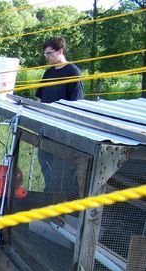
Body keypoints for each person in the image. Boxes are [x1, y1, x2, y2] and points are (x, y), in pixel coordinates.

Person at [35, 36, 84, 195]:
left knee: (60, 168)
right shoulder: (48, 72)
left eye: (49, 53)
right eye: (45, 54)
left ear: (60, 51)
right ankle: (49, 195)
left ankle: (61, 200)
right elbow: (39, 98)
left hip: (62, 130)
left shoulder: (73, 72)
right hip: (45, 127)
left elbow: (76, 104)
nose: (47, 57)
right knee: (44, 162)